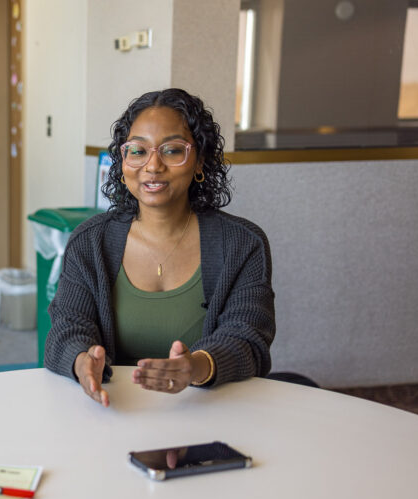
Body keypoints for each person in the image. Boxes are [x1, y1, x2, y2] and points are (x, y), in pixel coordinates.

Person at [45, 89, 275, 406]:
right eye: (137, 151)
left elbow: (249, 340)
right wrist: (82, 361)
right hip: (112, 408)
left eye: (171, 150)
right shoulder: (90, 243)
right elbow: (66, 329)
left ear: (199, 161)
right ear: (123, 162)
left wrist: (196, 367)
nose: (152, 166)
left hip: (209, 411)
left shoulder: (242, 244)